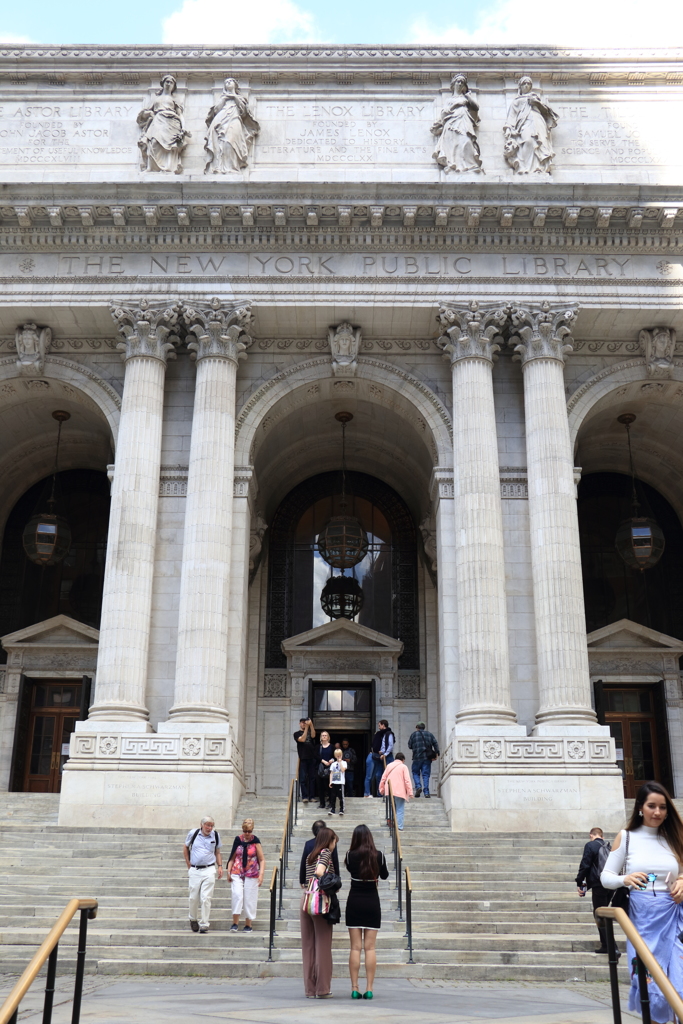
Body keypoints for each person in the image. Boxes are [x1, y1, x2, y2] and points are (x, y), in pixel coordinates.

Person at [601, 781, 683, 1024]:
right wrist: (624, 879)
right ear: (640, 808)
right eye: (651, 806)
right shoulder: (626, 837)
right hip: (642, 918)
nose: (657, 812)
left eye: (662, 807)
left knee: (679, 982)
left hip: (674, 915)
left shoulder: (675, 836)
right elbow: (606, 877)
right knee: (651, 985)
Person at [344, 824, 389, 1000]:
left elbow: (349, 869)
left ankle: (355, 988)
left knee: (355, 948)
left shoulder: (349, 855)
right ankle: (369, 988)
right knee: (370, 948)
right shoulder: (379, 856)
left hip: (354, 901)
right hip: (372, 902)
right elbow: (384, 875)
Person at [300, 826, 338, 999]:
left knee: (308, 946)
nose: (335, 844)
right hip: (319, 901)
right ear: (328, 840)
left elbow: (308, 876)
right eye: (334, 840)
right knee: (323, 945)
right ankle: (322, 989)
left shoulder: (311, 855)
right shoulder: (325, 853)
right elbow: (320, 872)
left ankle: (310, 989)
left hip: (306, 900)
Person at [204, 77, 260, 174]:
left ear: (235, 84)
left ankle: (232, 167)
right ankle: (220, 166)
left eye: (231, 81)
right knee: (220, 142)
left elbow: (243, 111)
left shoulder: (240, 98)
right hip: (220, 120)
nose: (228, 82)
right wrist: (225, 98)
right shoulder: (222, 98)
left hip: (234, 119)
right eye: (226, 82)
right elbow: (216, 110)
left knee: (231, 141)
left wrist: (234, 97)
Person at [136, 74, 190, 174]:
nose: (168, 84)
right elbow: (145, 113)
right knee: (153, 142)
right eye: (167, 82)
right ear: (163, 84)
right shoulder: (156, 99)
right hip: (158, 120)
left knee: (171, 146)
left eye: (171, 82)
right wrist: (150, 113)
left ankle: (168, 167)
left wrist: (183, 128)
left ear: (174, 86)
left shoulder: (174, 100)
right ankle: (151, 168)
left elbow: (180, 115)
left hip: (172, 122)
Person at [431, 73, 483, 174]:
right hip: (451, 125)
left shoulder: (466, 98)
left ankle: (469, 165)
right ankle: (453, 165)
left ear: (464, 86)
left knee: (466, 141)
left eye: (462, 82)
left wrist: (468, 97)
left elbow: (476, 107)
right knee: (453, 144)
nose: (460, 84)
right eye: (458, 81)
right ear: (453, 84)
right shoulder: (449, 100)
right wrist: (457, 104)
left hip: (464, 123)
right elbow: (444, 113)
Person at [575, 827, 615, 954]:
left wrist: (579, 881)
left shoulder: (590, 845)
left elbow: (585, 865)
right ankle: (606, 945)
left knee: (599, 914)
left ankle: (611, 946)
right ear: (602, 836)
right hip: (611, 885)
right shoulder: (609, 846)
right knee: (603, 914)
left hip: (599, 885)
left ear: (591, 835)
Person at [183, 816, 223, 934]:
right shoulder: (193, 833)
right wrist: (188, 863)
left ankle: (204, 923)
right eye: (207, 825)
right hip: (195, 869)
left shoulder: (215, 835)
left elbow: (218, 852)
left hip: (209, 869)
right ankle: (193, 918)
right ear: (202, 825)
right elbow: (185, 847)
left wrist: (220, 866)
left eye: (211, 825)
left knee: (206, 898)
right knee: (193, 897)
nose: (209, 828)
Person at [226, 818, 265, 933]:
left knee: (250, 897)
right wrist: (228, 871)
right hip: (237, 871)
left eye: (249, 831)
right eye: (245, 831)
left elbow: (262, 859)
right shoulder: (238, 839)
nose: (247, 834)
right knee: (237, 895)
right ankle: (235, 923)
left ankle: (248, 924)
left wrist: (261, 874)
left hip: (251, 872)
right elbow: (232, 857)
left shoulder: (255, 841)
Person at [379, 752, 413, 830]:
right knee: (399, 808)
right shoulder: (403, 767)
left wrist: (381, 789)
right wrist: (410, 792)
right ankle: (399, 826)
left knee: (392, 807)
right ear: (403, 760)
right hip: (400, 791)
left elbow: (383, 778)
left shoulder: (389, 766)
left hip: (389, 790)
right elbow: (407, 780)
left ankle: (391, 822)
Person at [300, 819, 341, 884]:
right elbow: (320, 872)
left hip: (311, 888)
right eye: (334, 842)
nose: (335, 844)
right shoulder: (326, 852)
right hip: (321, 890)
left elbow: (303, 863)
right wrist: (331, 883)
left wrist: (302, 880)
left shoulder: (310, 848)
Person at [408, 721, 440, 798]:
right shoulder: (429, 734)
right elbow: (435, 744)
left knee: (415, 773)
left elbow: (409, 746)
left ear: (417, 727)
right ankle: (426, 792)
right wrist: (437, 753)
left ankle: (418, 786)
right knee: (425, 775)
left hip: (416, 758)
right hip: (427, 758)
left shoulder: (413, 735)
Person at [367, 720, 394, 797]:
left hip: (387, 757)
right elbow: (384, 745)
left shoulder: (389, 734)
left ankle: (388, 793)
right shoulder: (383, 734)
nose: (379, 727)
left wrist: (385, 754)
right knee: (379, 775)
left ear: (383, 725)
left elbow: (390, 746)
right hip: (381, 756)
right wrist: (381, 752)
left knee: (388, 774)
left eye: (379, 725)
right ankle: (380, 793)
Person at [294, 717, 317, 804]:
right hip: (303, 758)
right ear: (299, 724)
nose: (304, 724)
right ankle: (304, 796)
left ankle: (311, 797)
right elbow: (302, 739)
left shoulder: (310, 731)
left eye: (305, 723)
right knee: (303, 778)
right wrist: (306, 728)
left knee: (312, 778)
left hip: (312, 758)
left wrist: (311, 725)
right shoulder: (296, 734)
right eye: (303, 723)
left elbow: (314, 735)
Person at [316, 730, 335, 810]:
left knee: (329, 786)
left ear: (328, 737)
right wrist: (323, 760)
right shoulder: (318, 747)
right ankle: (322, 803)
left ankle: (330, 802)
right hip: (320, 768)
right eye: (322, 735)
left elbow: (335, 755)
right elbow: (315, 756)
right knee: (320, 787)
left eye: (325, 735)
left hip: (329, 768)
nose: (324, 736)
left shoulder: (332, 746)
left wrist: (332, 760)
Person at [328, 747, 347, 816]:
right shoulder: (333, 764)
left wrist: (340, 762)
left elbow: (343, 770)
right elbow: (331, 773)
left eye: (340, 755)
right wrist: (330, 782)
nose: (339, 757)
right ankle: (333, 809)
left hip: (340, 782)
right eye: (337, 756)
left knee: (341, 796)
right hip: (334, 782)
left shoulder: (344, 763)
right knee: (333, 796)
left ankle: (341, 809)